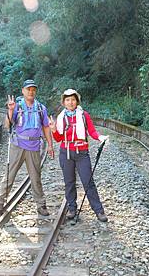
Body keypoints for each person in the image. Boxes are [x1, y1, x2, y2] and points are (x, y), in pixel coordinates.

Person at [0, 79, 54, 216]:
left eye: (33, 89)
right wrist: (10, 110)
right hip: (18, 145)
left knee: (35, 177)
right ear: (23, 91)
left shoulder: (41, 108)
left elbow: (45, 127)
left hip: (34, 146)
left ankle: (41, 205)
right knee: (10, 174)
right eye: (28, 89)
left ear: (35, 91)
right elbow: (7, 125)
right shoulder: (16, 106)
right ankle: (0, 201)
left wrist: (50, 144)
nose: (31, 92)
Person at [48, 89, 109, 222]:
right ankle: (72, 208)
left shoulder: (84, 115)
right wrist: (53, 130)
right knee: (69, 182)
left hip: (81, 152)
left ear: (77, 101)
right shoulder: (61, 117)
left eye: (73, 99)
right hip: (66, 152)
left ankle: (99, 210)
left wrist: (100, 137)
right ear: (64, 102)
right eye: (68, 100)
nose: (71, 102)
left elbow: (92, 132)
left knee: (88, 181)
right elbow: (58, 139)